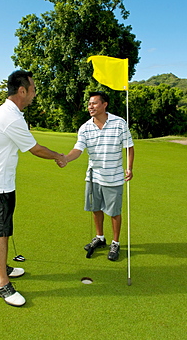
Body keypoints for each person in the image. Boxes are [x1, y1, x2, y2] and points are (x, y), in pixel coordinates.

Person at [0, 70, 66, 307]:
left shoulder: (6, 112)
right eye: (33, 90)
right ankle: (3, 285)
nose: (34, 95)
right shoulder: (11, 117)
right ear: (22, 90)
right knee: (1, 233)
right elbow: (35, 149)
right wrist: (60, 156)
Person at [64, 91, 134, 261]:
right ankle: (100, 238)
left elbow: (129, 147)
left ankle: (115, 242)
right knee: (95, 208)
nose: (90, 107)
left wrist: (129, 168)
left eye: (94, 103)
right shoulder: (85, 127)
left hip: (114, 176)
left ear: (104, 104)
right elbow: (78, 149)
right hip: (93, 176)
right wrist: (65, 158)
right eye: (89, 104)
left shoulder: (119, 123)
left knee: (114, 212)